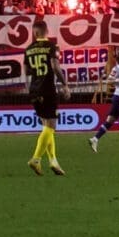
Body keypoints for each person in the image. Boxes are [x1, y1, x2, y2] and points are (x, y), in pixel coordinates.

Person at [24, 19, 69, 176]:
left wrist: (30, 88)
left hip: (34, 90)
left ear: (34, 32)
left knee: (46, 125)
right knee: (51, 126)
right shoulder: (51, 46)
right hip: (48, 89)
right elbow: (55, 67)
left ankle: (53, 161)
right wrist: (65, 84)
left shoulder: (28, 49)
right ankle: (36, 159)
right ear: (46, 31)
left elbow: (27, 72)